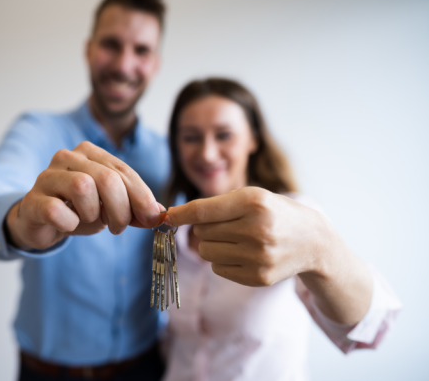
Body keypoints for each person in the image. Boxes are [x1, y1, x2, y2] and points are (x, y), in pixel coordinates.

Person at [0, 0, 170, 380]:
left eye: (141, 50)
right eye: (111, 44)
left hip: (149, 366)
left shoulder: (170, 155)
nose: (125, 65)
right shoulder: (38, 131)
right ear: (89, 49)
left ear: (155, 64)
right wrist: (21, 221)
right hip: (48, 373)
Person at [159, 78, 402, 381]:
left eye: (224, 135)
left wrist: (321, 252)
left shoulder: (293, 216)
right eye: (191, 137)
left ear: (253, 139)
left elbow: (371, 328)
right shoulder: (169, 232)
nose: (207, 153)